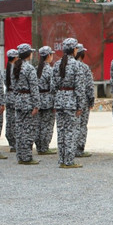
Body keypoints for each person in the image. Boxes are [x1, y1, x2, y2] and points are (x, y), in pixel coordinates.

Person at [53, 38, 84, 168]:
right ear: (74, 50)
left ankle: (62, 159)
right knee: (71, 131)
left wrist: (55, 101)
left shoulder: (57, 64)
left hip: (59, 101)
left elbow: (53, 86)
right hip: (71, 101)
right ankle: (69, 161)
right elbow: (79, 87)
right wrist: (80, 105)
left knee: (61, 131)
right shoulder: (77, 65)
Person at [12, 43, 40, 165]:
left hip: (19, 100)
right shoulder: (29, 68)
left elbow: (13, 86)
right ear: (28, 54)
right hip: (28, 101)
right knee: (28, 130)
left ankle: (20, 156)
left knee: (19, 129)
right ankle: (27, 157)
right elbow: (34, 87)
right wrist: (36, 104)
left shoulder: (16, 67)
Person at [35, 46, 57, 155]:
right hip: (48, 100)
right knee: (47, 125)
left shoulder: (35, 69)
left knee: (38, 124)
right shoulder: (50, 70)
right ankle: (44, 147)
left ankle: (39, 146)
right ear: (48, 55)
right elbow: (53, 87)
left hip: (37, 99)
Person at [74, 43, 95, 158]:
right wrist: (91, 101)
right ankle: (79, 149)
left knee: (71, 126)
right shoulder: (84, 67)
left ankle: (69, 149)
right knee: (82, 125)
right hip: (83, 100)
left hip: (69, 100)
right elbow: (90, 86)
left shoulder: (64, 65)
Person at [5, 49, 19, 152]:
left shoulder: (7, 68)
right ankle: (15, 143)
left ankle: (11, 141)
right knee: (15, 120)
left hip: (8, 96)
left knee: (9, 120)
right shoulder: (16, 68)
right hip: (15, 96)